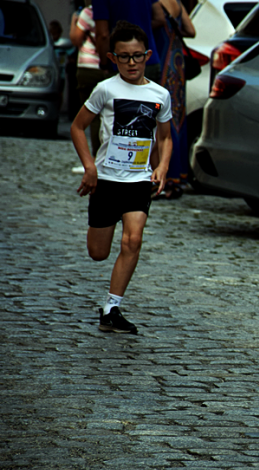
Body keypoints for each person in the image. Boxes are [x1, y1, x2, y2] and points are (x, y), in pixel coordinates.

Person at [70, 21, 173, 334]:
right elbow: (77, 127)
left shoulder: (160, 95)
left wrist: (163, 166)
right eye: (125, 56)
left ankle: (111, 308)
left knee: (133, 239)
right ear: (113, 58)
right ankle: (110, 303)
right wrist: (90, 166)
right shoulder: (105, 89)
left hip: (138, 181)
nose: (132, 63)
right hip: (105, 180)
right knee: (98, 253)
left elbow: (166, 137)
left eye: (138, 56)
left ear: (148, 56)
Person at [152, 0, 195, 199]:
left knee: (164, 121)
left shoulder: (156, 3)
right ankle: (178, 178)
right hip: (178, 65)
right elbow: (190, 31)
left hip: (162, 60)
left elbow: (158, 21)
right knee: (177, 120)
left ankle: (167, 178)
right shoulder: (177, 3)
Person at [92, 0, 165, 83]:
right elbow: (160, 18)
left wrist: (104, 64)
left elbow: (103, 35)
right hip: (149, 61)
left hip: (119, 64)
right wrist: (140, 30)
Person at [70, 5, 105, 158]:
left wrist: (73, 21)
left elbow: (75, 39)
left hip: (89, 66)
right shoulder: (114, 9)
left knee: (92, 116)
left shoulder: (89, 12)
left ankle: (96, 157)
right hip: (109, 67)